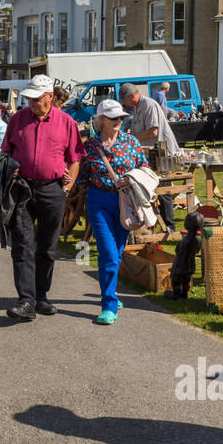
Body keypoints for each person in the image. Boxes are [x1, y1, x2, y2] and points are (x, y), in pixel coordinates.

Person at [1, 75, 82, 321]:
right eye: (29, 99)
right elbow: (6, 151)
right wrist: (9, 166)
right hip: (23, 189)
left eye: (37, 99)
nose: (32, 103)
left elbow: (75, 158)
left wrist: (66, 190)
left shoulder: (66, 122)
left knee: (47, 247)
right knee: (23, 244)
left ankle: (41, 296)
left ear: (49, 96)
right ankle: (26, 300)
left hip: (52, 190)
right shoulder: (17, 120)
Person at [78, 99, 148, 325]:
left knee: (117, 251)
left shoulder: (131, 142)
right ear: (102, 121)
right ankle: (108, 303)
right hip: (98, 201)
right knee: (108, 252)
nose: (119, 121)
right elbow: (82, 177)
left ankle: (111, 292)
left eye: (121, 117)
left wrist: (135, 178)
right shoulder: (89, 147)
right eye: (114, 118)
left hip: (126, 202)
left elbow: (145, 168)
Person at [120, 82, 178, 228]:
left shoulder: (149, 104)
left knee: (163, 190)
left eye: (125, 101)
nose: (125, 104)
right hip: (151, 152)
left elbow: (153, 131)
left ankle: (169, 226)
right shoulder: (137, 107)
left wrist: (132, 139)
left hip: (162, 151)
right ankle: (155, 222)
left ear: (132, 96)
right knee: (150, 187)